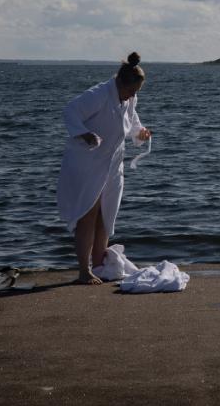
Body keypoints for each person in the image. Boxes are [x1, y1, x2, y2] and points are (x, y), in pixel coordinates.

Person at [57, 52, 152, 284]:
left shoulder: (129, 99)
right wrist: (85, 134)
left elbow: (131, 122)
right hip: (87, 162)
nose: (133, 95)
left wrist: (140, 133)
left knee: (106, 213)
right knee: (88, 213)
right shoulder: (99, 94)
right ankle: (83, 270)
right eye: (132, 90)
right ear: (120, 82)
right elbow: (71, 111)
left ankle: (99, 264)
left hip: (112, 163)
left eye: (136, 92)